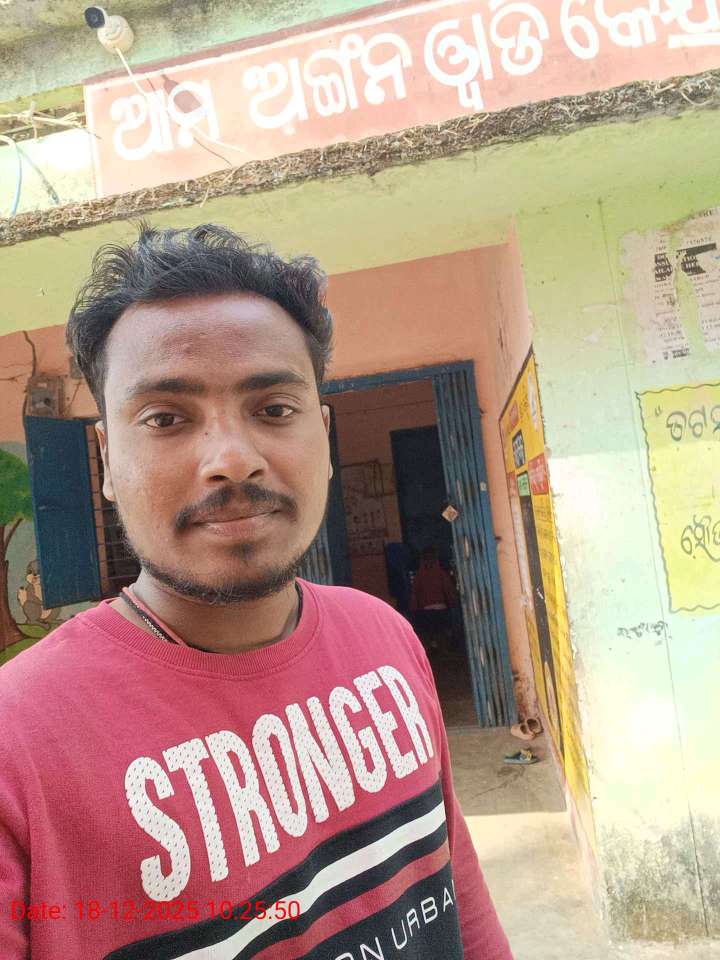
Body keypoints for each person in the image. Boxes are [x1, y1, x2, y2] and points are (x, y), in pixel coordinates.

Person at [0, 224, 513, 960]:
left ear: (324, 439)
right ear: (107, 461)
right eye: (166, 418)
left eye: (273, 409)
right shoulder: (17, 745)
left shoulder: (386, 636)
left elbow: (456, 890)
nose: (232, 460)